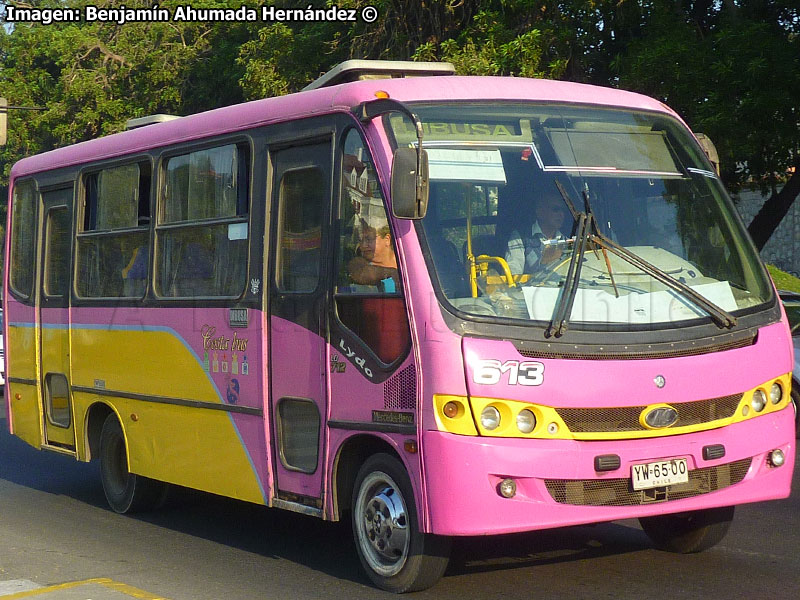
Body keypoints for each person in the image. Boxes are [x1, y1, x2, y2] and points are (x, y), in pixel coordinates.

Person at [505, 188, 569, 274]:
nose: (561, 214)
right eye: (555, 209)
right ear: (540, 212)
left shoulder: (567, 241)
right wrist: (542, 263)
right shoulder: (520, 237)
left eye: (563, 210)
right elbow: (514, 275)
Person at [347, 220, 399, 292]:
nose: (363, 245)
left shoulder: (408, 262)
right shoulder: (358, 264)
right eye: (360, 240)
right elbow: (361, 273)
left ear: (387, 239)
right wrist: (392, 272)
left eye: (369, 239)